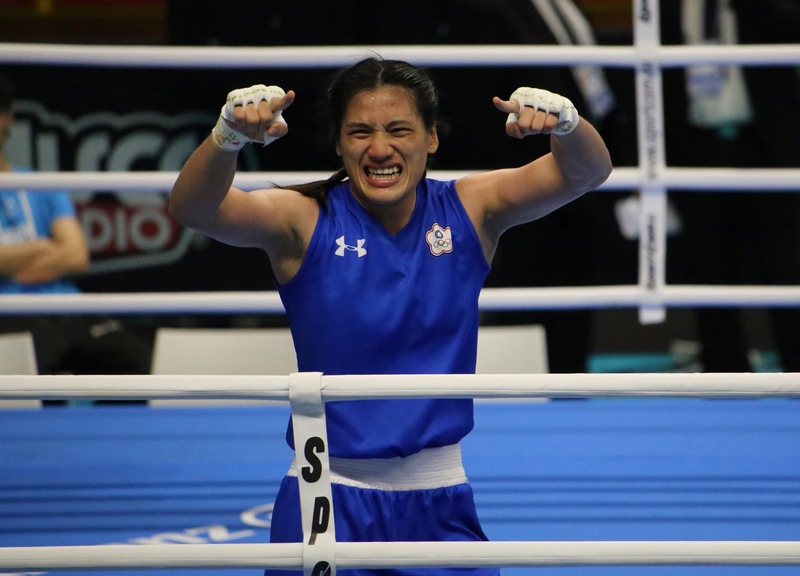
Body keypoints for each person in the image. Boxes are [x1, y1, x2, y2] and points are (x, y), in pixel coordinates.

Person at [169, 56, 611, 575]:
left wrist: (567, 123)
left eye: (399, 130)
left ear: (432, 138)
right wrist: (226, 137)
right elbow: (193, 209)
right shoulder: (303, 219)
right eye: (360, 132)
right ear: (339, 144)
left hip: (440, 496)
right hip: (324, 495)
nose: (379, 148)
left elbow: (587, 171)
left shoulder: (472, 208)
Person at [660, 0, 800, 372]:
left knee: (785, 265)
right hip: (696, 146)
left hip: (766, 146)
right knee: (709, 267)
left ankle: (797, 369)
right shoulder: (669, 6)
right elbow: (655, 82)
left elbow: (789, 25)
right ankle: (725, 374)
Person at [0, 71, 152, 387]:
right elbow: (61, 251)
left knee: (134, 360)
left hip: (67, 309)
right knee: (31, 382)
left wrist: (12, 264)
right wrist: (42, 247)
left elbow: (76, 256)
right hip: (8, 317)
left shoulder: (42, 183)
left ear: (8, 118)